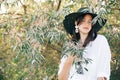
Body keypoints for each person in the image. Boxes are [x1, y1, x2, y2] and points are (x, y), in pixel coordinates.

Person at [58, 7, 111, 80]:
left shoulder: (100, 41)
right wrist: (70, 59)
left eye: (89, 21)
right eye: (83, 20)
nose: (86, 24)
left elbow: (102, 73)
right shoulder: (70, 46)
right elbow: (61, 78)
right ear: (76, 22)